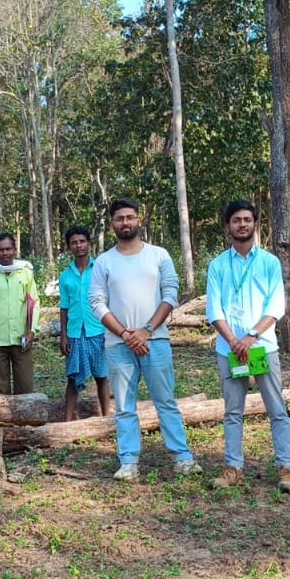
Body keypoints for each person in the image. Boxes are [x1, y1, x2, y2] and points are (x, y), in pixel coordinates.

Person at [88, 198, 197, 480]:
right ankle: (128, 461)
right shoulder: (104, 261)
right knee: (125, 406)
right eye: (119, 218)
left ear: (139, 220)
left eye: (130, 217)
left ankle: (182, 457)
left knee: (166, 400)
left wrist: (146, 330)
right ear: (112, 224)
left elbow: (170, 294)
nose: (125, 222)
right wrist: (126, 334)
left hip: (155, 341)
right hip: (118, 345)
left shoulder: (158, 255)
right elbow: (97, 302)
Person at [204, 200, 290, 493]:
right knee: (233, 411)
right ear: (228, 226)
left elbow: (276, 305)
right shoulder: (217, 265)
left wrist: (251, 337)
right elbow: (214, 309)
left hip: (263, 347)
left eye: (247, 219)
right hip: (229, 350)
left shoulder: (269, 262)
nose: (242, 224)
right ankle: (233, 468)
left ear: (256, 223)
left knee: (276, 408)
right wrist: (234, 341)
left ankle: (285, 467)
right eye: (236, 220)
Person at [58, 227, 111, 421]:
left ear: (89, 243)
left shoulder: (100, 270)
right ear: (69, 247)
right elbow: (64, 307)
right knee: (73, 377)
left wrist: (110, 329)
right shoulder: (66, 275)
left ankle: (106, 418)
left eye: (82, 241)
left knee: (101, 376)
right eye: (74, 242)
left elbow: (109, 300)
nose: (78, 245)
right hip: (74, 333)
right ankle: (67, 420)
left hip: (98, 330)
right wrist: (63, 335)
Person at [0, 233, 39, 395]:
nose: (5, 253)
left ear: (14, 250)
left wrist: (32, 331)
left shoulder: (25, 273)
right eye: (0, 250)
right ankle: (1, 420)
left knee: (25, 386)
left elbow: (34, 303)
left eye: (8, 249)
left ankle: (27, 420)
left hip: (22, 338)